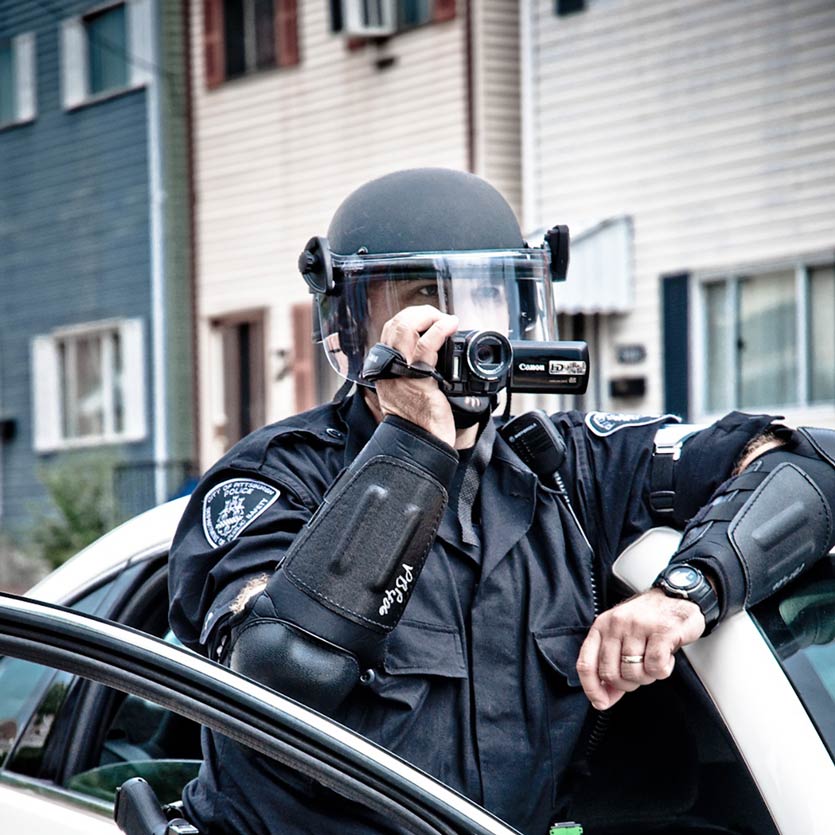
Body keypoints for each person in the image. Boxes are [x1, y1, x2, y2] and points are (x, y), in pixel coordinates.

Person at [168, 168, 835, 835]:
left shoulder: (571, 469)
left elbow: (811, 462)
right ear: (351, 322)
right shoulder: (274, 476)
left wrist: (687, 589)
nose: (451, 328)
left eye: (482, 297)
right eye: (419, 303)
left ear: (518, 313)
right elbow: (279, 668)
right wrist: (411, 447)